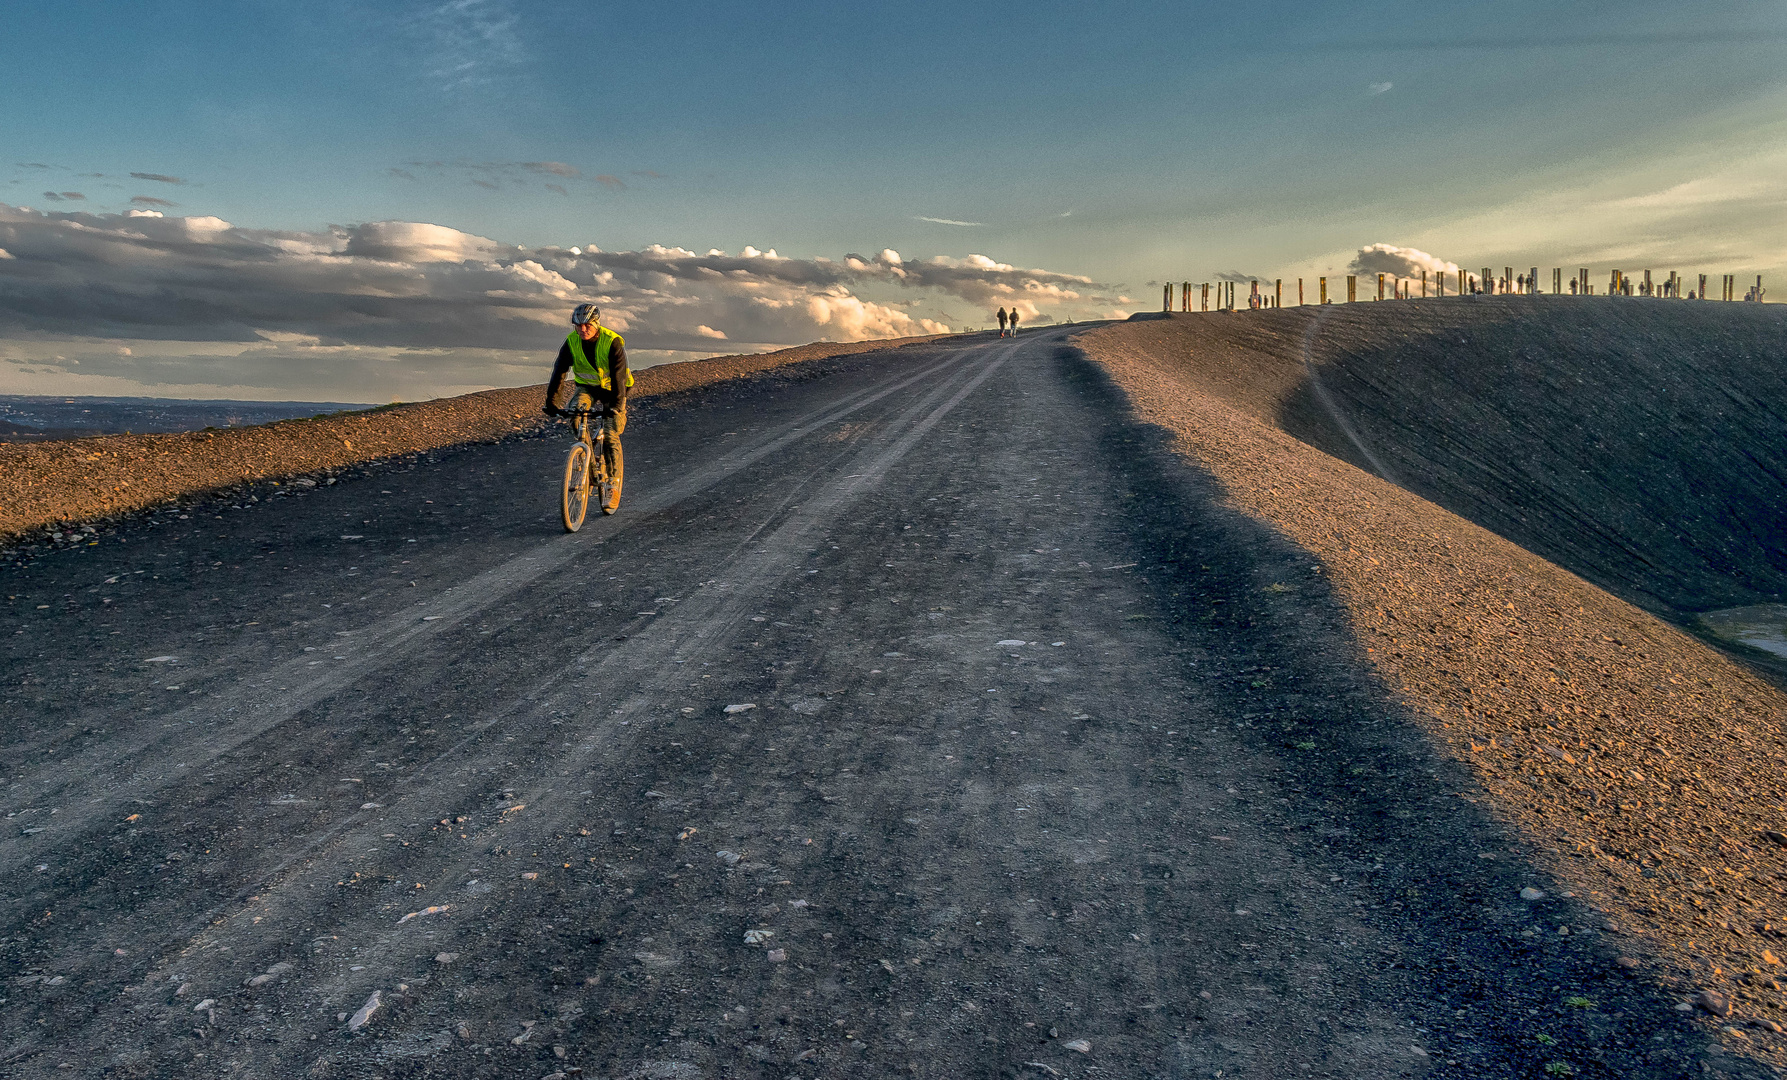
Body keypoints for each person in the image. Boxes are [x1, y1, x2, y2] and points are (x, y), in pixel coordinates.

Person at [543, 303, 632, 513]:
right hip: (588, 388)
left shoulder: (612, 342)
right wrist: (552, 402)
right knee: (575, 414)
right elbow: (559, 372)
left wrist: (617, 406)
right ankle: (585, 455)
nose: (582, 330)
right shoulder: (571, 342)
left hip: (613, 390)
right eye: (578, 326)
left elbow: (619, 377)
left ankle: (612, 481)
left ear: (596, 323)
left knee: (611, 434)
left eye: (587, 326)